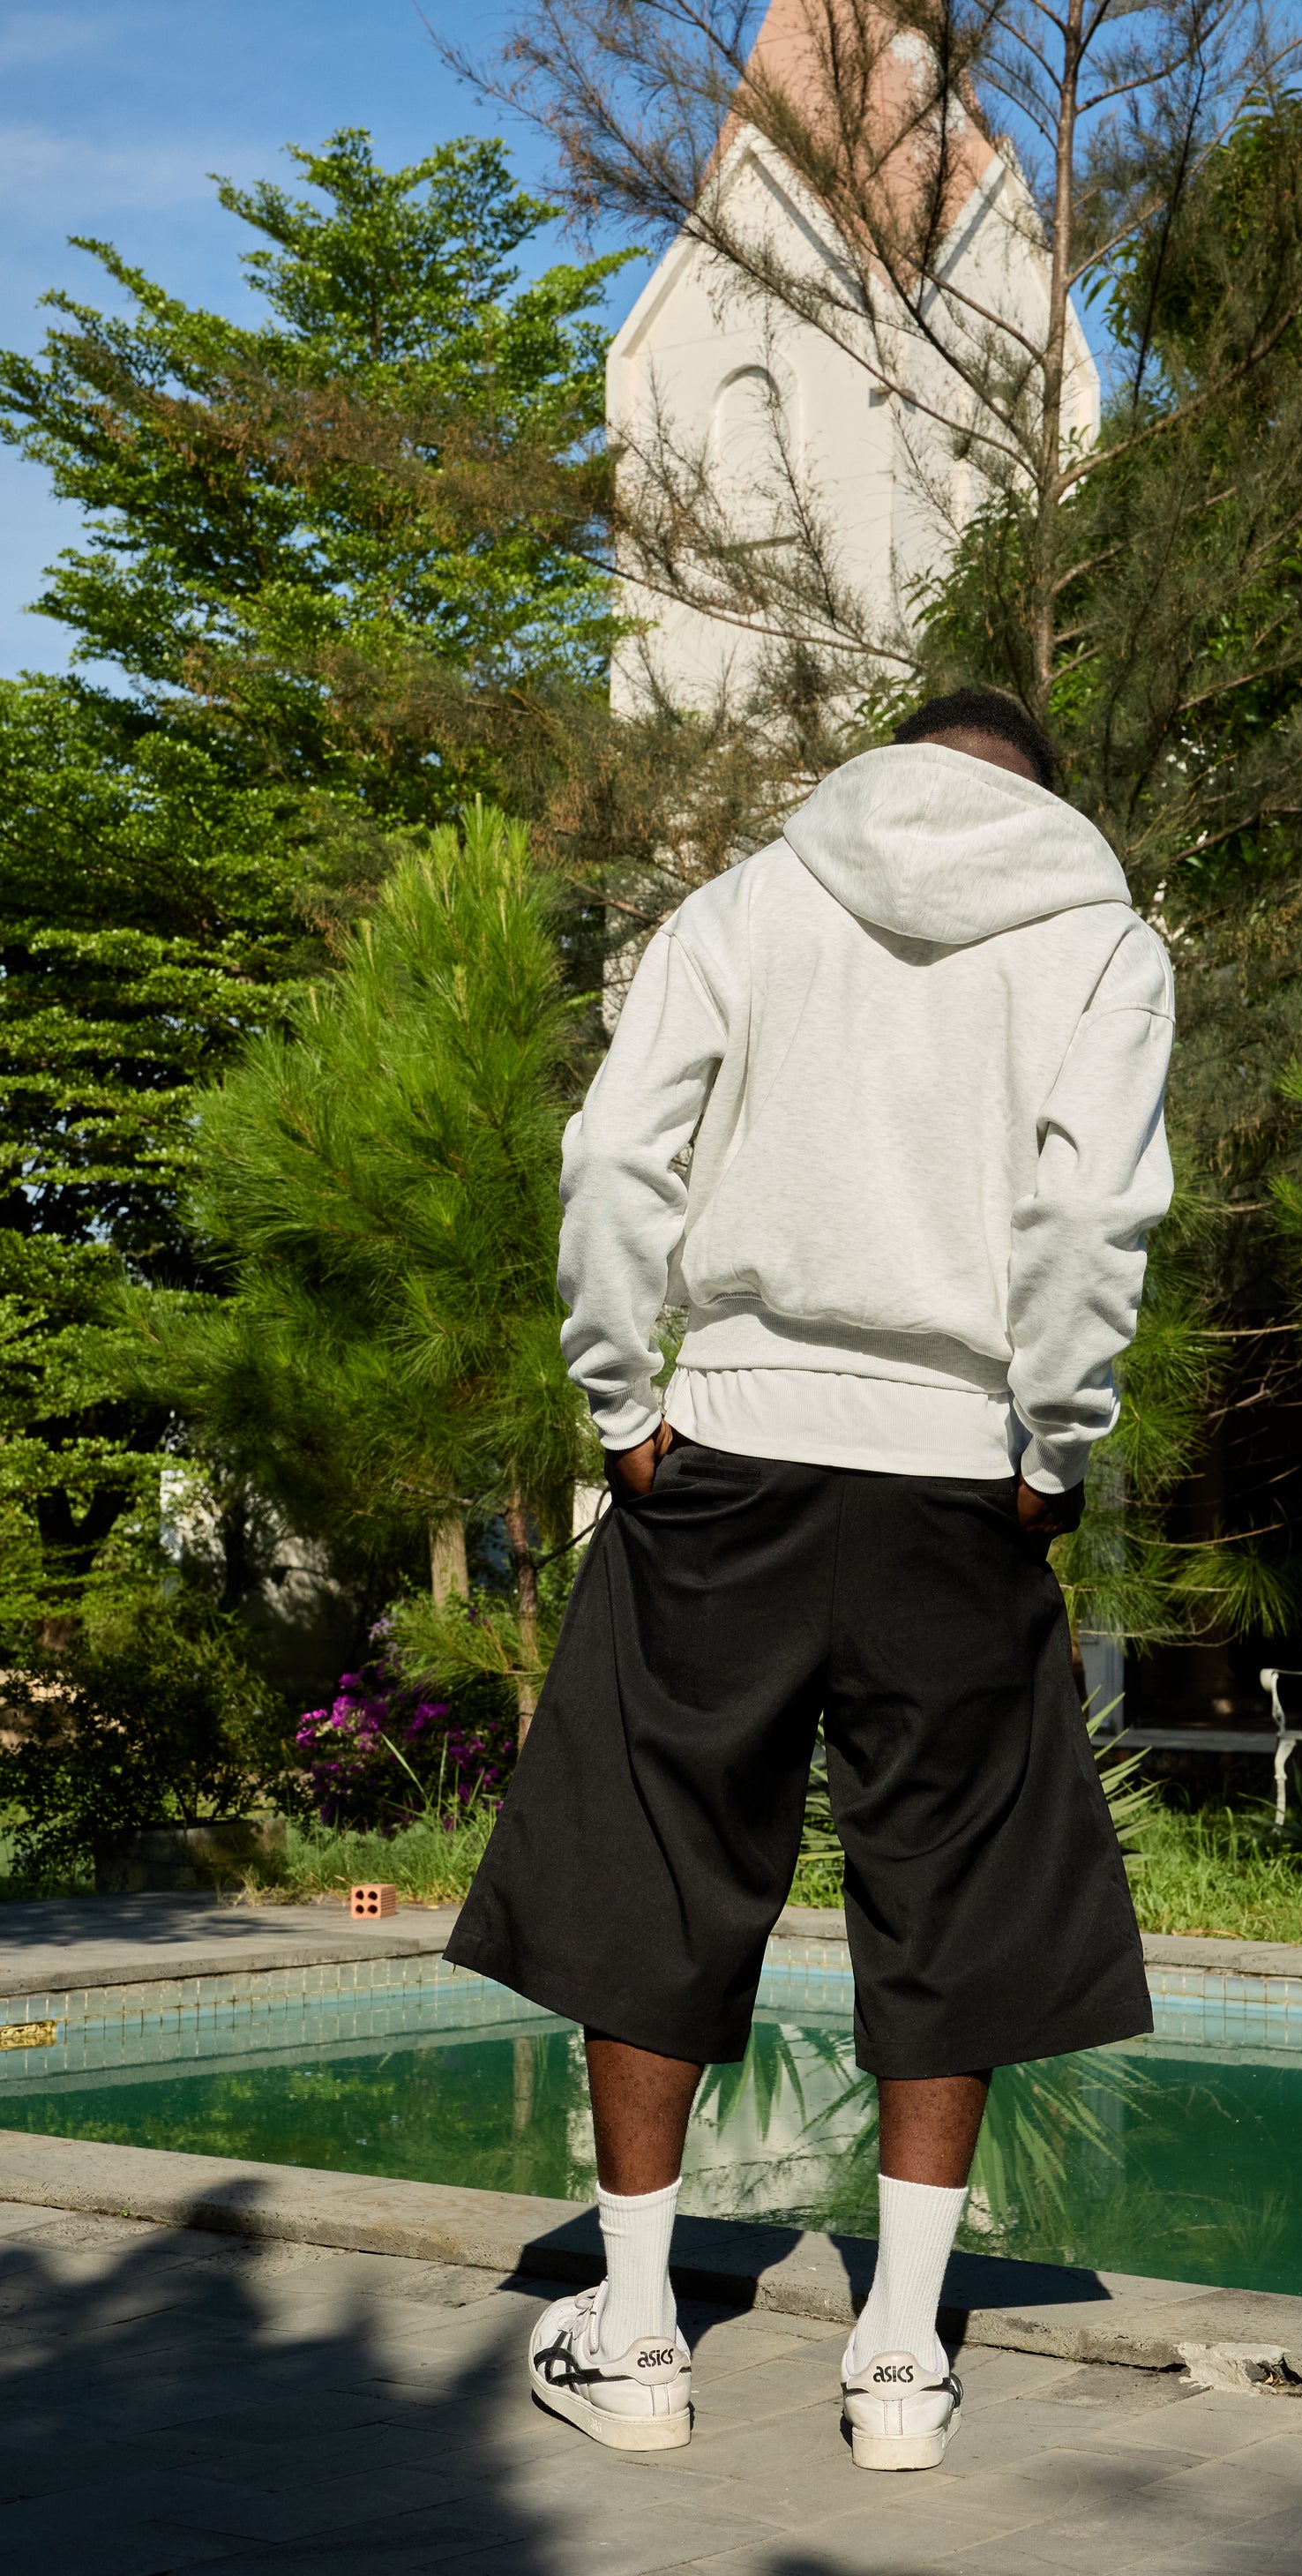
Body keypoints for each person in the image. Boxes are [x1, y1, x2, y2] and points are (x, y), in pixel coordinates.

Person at [445, 685, 1175, 2469]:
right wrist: (1046, 1446)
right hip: (957, 1478)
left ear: (889, 769)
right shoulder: (1101, 943)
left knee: (657, 1860)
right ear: (1039, 797)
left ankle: (631, 2334)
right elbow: (1089, 1219)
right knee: (948, 1885)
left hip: (732, 1453)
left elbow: (616, 1157)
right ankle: (904, 2360)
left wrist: (623, 1404)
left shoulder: (748, 902)